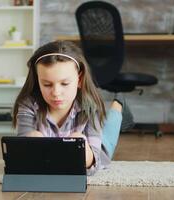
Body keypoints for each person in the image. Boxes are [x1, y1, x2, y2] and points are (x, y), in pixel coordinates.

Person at [12, 40, 133, 175]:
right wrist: (29, 141)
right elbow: (22, 158)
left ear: (79, 80)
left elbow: (95, 162)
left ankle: (119, 104)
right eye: (47, 84)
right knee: (32, 136)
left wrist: (83, 154)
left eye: (64, 83)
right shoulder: (28, 105)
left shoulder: (91, 107)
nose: (56, 93)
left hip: (97, 147)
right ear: (37, 81)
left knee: (109, 131)